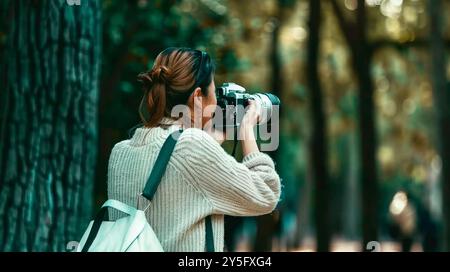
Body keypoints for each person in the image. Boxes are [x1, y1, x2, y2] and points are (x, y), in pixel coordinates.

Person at [107, 47, 281, 252]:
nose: (216, 102)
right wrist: (247, 128)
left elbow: (175, 194)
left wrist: (208, 143)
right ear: (198, 96)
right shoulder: (192, 147)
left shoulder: (119, 153)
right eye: (214, 92)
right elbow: (267, 194)